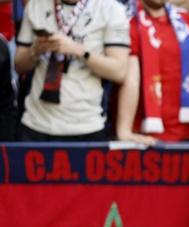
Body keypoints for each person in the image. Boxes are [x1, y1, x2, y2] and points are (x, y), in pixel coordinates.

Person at [13, 0, 129, 141]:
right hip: (35, 123)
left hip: (87, 125)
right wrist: (35, 50)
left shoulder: (111, 8)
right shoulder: (36, 5)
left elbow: (119, 71)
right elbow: (19, 66)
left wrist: (79, 51)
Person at [115, 0, 189, 145]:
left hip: (185, 131)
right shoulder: (130, 22)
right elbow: (131, 79)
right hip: (147, 135)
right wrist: (124, 130)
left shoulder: (184, 20)